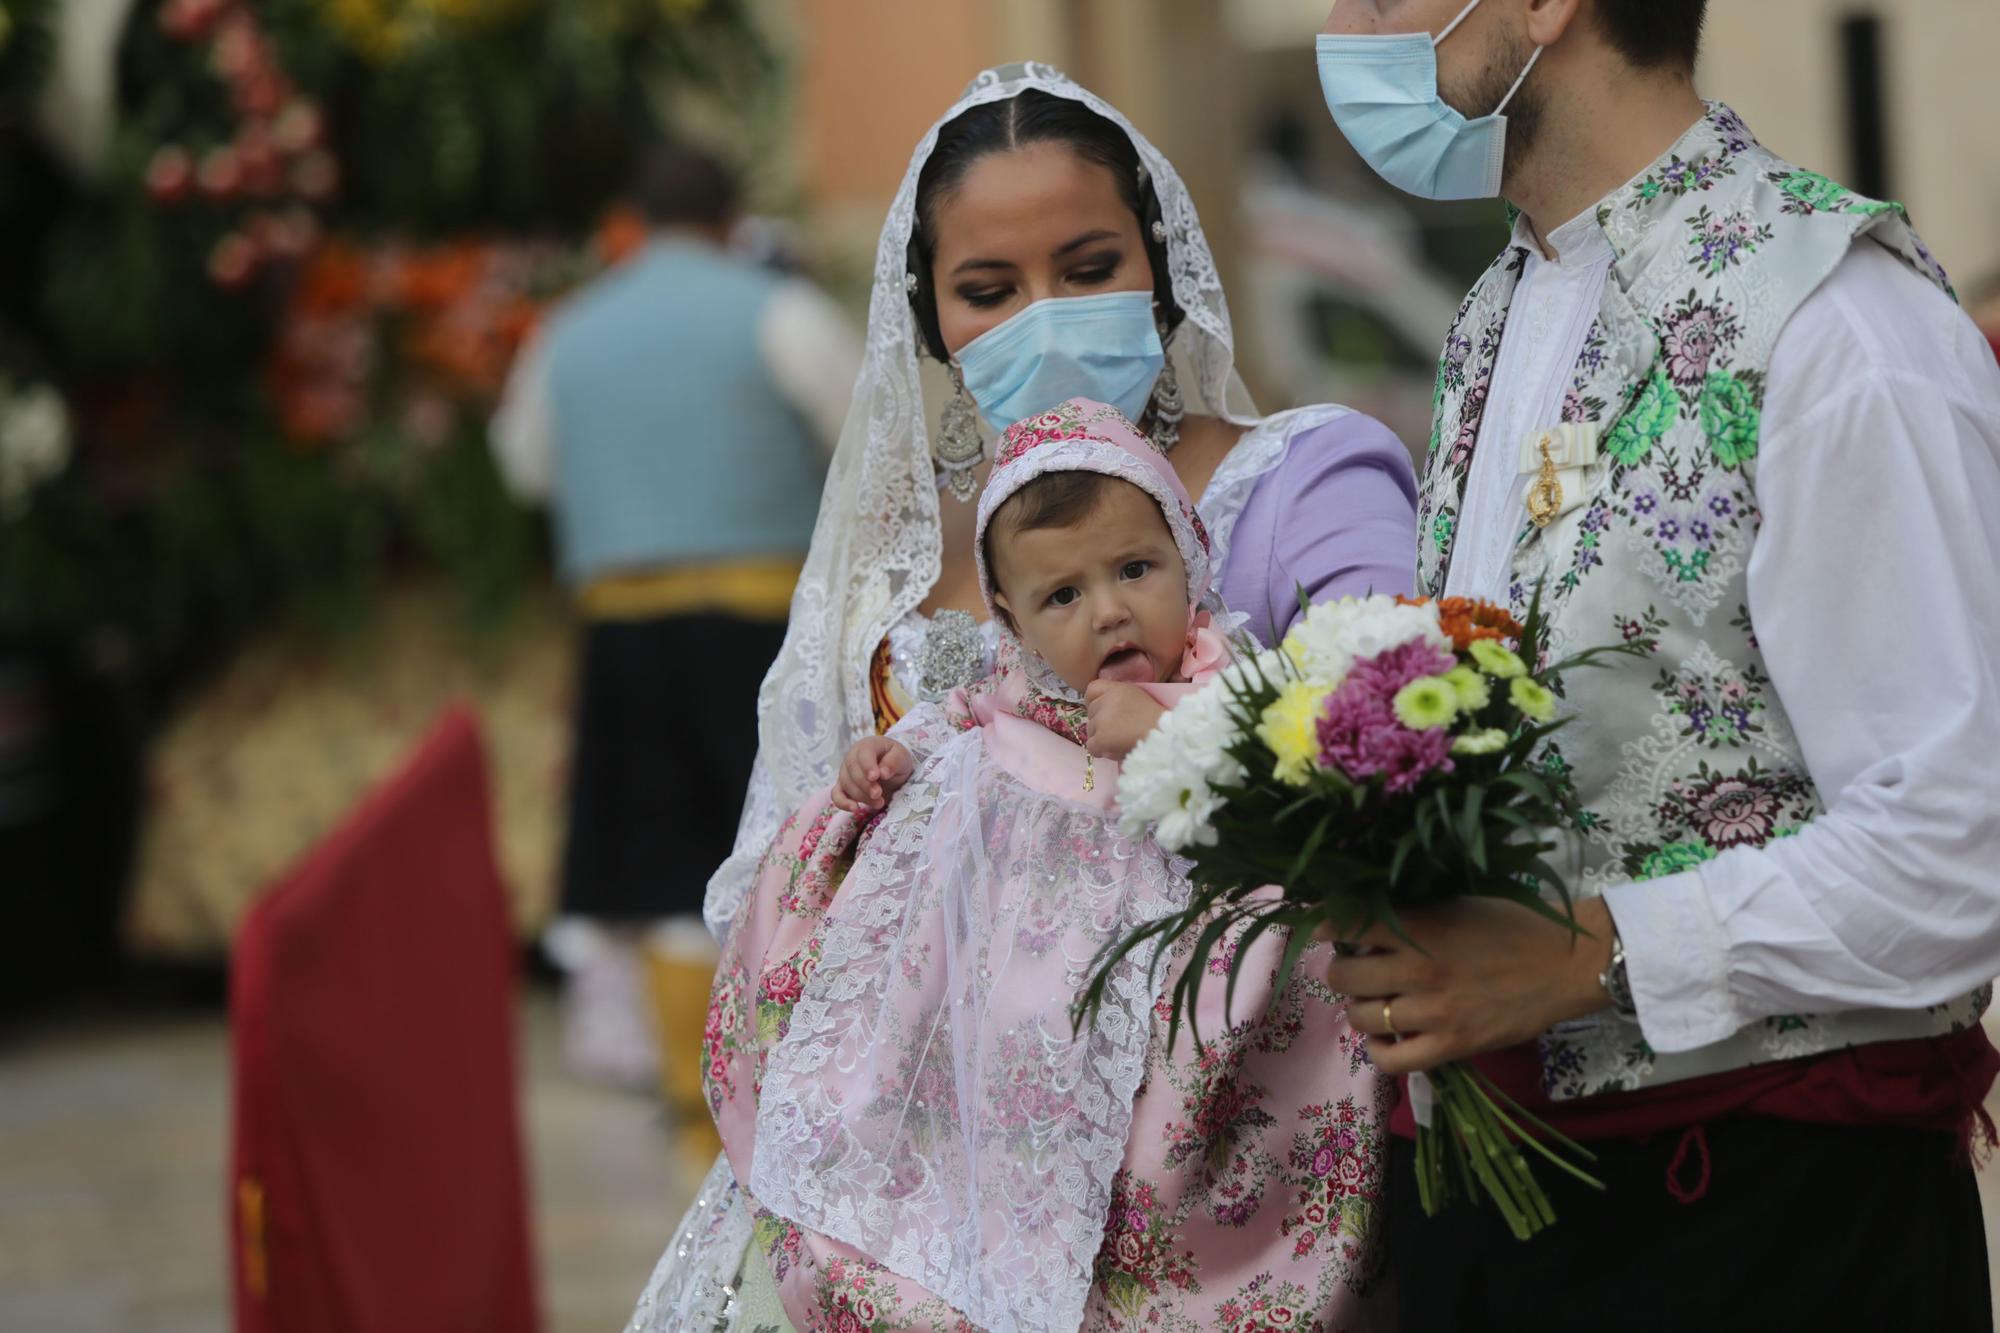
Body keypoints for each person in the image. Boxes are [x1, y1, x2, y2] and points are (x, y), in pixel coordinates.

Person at [628, 64, 1418, 1332]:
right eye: (988, 293)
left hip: (1218, 1170)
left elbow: (1399, 742)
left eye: (1089, 265)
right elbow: (792, 886)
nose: (1044, 317)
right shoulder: (896, 586)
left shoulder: (1297, 484)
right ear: (934, 325)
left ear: (1158, 267)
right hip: (915, 1201)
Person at [1313, 1, 2000, 1326]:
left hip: (1761, 1218)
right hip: (1514, 1215)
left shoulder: (1837, 324)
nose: (1347, 24)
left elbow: (1962, 841)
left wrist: (1598, 951)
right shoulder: (1495, 311)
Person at [683, 400, 1386, 1333]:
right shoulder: (1008, 695)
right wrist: (884, 764)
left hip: (1165, 1003)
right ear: (1011, 616)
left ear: (1190, 557)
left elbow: (1294, 782)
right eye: (1063, 596)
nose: (1109, 611)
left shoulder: (1235, 681)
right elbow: (946, 727)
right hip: (1007, 996)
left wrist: (1184, 725)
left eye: (1137, 569)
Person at [489, 143, 861, 1097]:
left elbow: (524, 466)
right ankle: (775, 1070)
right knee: (776, 845)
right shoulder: (777, 309)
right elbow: (865, 433)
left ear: (633, 220)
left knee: (654, 866)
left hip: (622, 627)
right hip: (755, 625)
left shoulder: (568, 329)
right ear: (734, 217)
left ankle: (687, 1089)